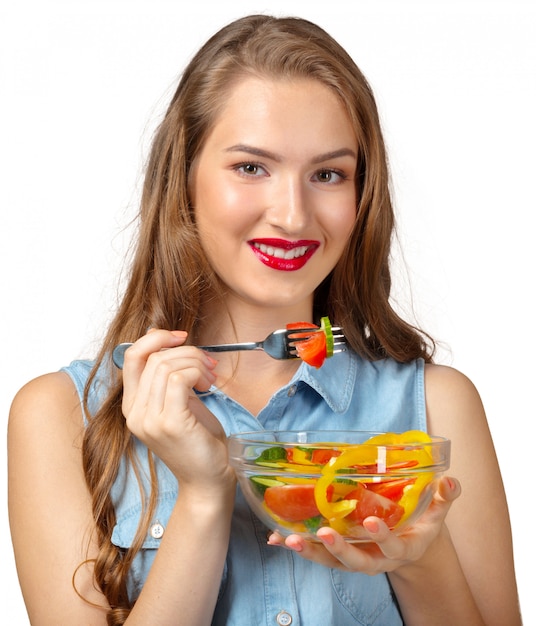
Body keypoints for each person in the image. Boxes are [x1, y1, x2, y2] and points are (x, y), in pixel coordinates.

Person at [8, 13, 521, 626]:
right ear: (184, 181)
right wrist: (203, 496)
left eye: (328, 174)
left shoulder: (438, 406)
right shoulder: (61, 416)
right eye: (251, 167)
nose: (293, 214)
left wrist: (418, 557)